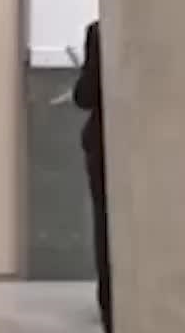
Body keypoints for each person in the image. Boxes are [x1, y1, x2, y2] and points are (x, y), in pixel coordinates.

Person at [74, 19, 111, 330]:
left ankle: (110, 306)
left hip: (103, 146)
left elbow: (84, 96)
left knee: (105, 226)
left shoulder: (100, 32)